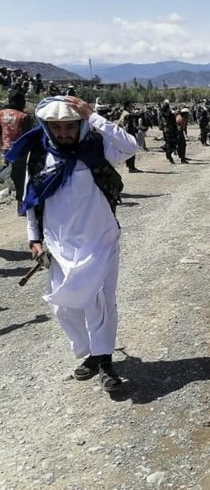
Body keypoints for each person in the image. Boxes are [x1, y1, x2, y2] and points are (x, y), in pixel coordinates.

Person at [5, 96, 138, 392]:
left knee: (101, 303)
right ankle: (90, 352)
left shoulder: (97, 147)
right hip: (59, 244)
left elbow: (130, 147)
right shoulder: (39, 155)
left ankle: (104, 361)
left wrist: (92, 115)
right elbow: (32, 199)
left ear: (80, 125)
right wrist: (34, 238)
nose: (63, 133)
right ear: (47, 127)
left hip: (100, 239)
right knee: (65, 307)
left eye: (69, 126)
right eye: (57, 127)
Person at [1, 87, 34, 213]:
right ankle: (21, 207)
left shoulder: (1, 114)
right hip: (20, 151)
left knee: (8, 174)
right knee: (20, 178)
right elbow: (28, 135)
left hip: (5, 149)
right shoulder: (24, 116)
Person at [117, 100, 142, 173]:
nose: (132, 107)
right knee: (132, 150)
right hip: (129, 134)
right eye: (131, 106)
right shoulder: (127, 114)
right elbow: (129, 117)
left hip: (126, 134)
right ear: (127, 107)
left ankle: (130, 167)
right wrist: (139, 114)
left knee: (129, 151)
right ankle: (131, 167)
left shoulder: (124, 113)